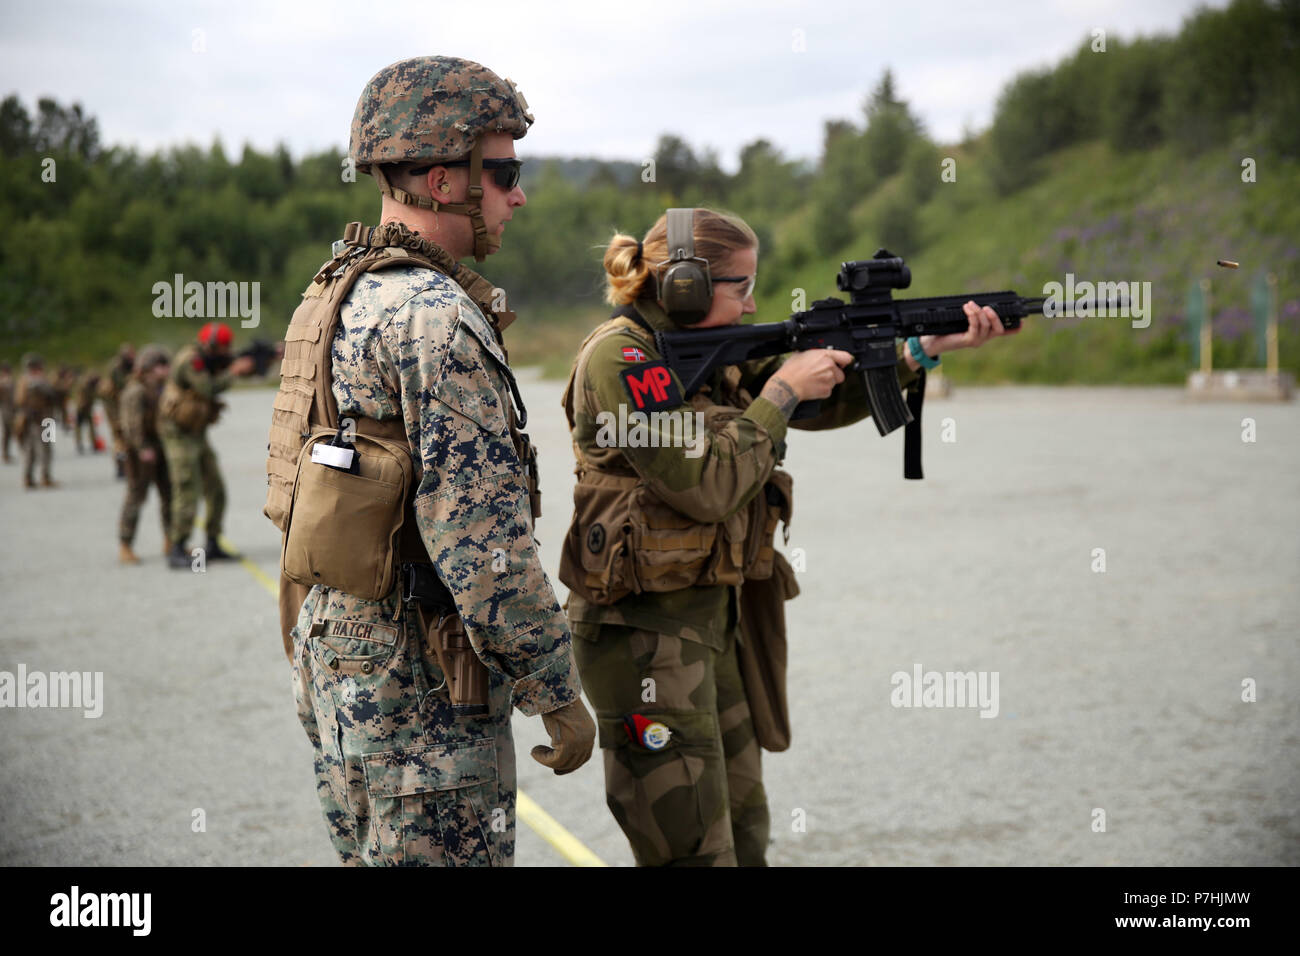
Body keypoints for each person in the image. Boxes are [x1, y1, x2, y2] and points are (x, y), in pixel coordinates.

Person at [559, 207, 1016, 866]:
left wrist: (919, 349)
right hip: (641, 639)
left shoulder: (716, 347)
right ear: (684, 285)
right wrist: (778, 390)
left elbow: (819, 404)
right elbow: (705, 484)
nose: (751, 304)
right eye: (739, 286)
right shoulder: (623, 360)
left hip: (712, 623)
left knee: (745, 834)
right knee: (689, 847)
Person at [266, 55, 594, 867]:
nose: (518, 195)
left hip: (337, 654)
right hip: (420, 676)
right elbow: (482, 542)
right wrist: (558, 691)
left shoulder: (337, 288)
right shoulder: (433, 315)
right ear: (444, 180)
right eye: (505, 171)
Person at [159, 322, 254, 568]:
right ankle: (177, 547)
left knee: (216, 488)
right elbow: (208, 387)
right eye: (224, 348)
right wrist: (234, 371)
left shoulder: (207, 358)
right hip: (178, 433)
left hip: (196, 432)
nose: (226, 352)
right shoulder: (192, 361)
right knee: (187, 487)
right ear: (212, 345)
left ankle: (213, 542)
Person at [117, 345, 172, 564]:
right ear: (147, 368)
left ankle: (171, 540)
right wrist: (142, 448)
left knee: (168, 494)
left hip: (160, 448)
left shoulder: (159, 388)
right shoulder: (136, 391)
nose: (164, 370)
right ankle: (125, 544)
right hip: (141, 453)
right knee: (135, 497)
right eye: (160, 366)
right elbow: (132, 425)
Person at [13, 352, 60, 489]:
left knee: (38, 449)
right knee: (39, 449)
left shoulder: (28, 381)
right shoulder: (32, 381)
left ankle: (35, 477)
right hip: (38, 420)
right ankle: (42, 477)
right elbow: (21, 401)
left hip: (46, 419)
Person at [99, 344, 135, 479]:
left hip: (121, 405)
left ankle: (125, 465)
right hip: (114, 407)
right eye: (130, 355)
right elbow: (122, 385)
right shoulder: (116, 368)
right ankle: (121, 466)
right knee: (119, 436)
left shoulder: (126, 367)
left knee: (124, 437)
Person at [74, 367, 102, 454]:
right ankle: (79, 444)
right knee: (79, 427)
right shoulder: (86, 385)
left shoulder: (90, 385)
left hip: (87, 407)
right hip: (82, 408)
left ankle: (93, 444)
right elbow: (82, 397)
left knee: (91, 426)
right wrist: (83, 406)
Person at [0, 360, 14, 464]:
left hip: (11, 409)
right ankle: (5, 454)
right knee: (8, 432)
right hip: (7, 410)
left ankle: (6, 454)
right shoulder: (4, 382)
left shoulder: (11, 381)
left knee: (9, 432)